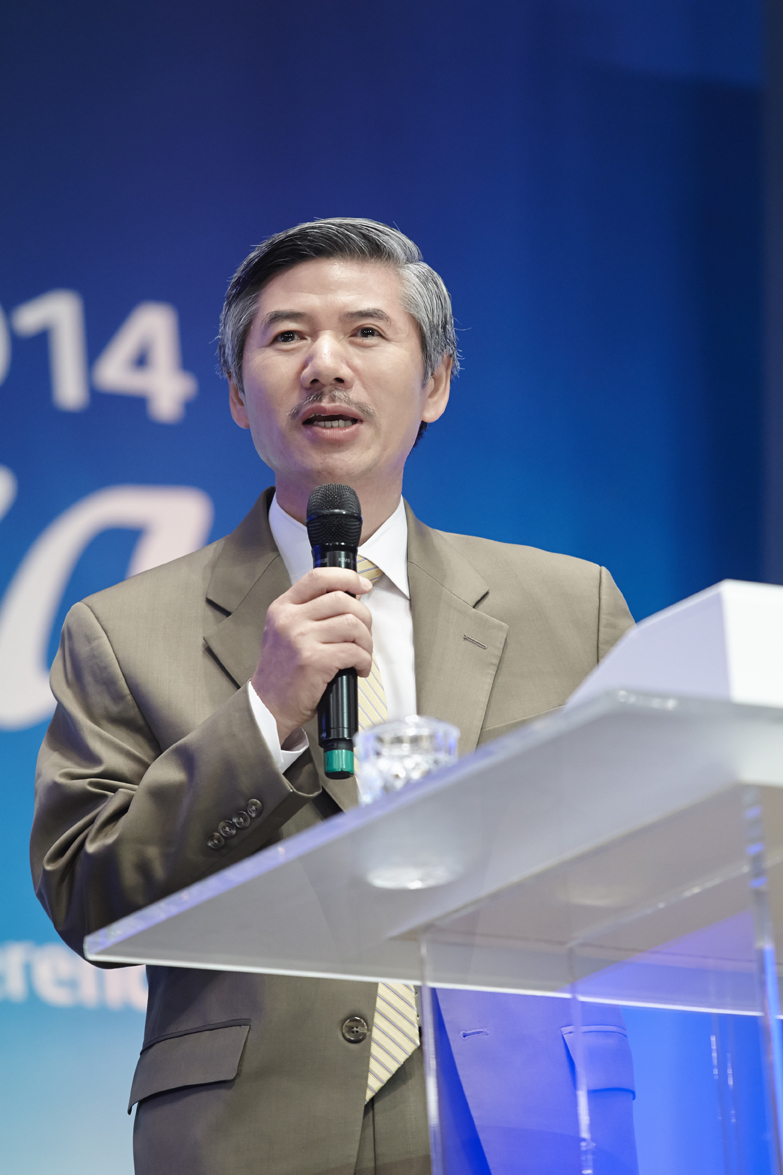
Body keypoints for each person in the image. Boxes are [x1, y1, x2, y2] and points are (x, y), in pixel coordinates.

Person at [30, 218, 633, 1175]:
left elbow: (644, 856)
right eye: (286, 337)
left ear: (434, 383)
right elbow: (86, 899)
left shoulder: (572, 607)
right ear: (237, 395)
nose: (324, 365)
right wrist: (262, 718)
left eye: (365, 331)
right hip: (253, 1133)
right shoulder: (120, 629)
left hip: (525, 1123)